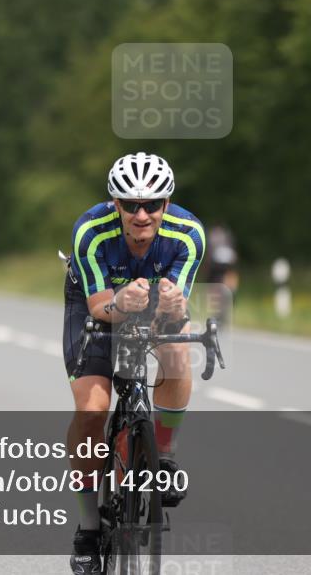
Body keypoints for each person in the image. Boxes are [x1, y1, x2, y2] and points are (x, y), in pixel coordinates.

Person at [64, 152, 204, 574]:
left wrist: (173, 308)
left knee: (178, 349)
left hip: (153, 306)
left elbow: (173, 311)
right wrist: (120, 303)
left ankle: (162, 452)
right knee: (91, 410)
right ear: (115, 204)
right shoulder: (90, 231)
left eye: (153, 204)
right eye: (130, 205)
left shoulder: (187, 234)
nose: (142, 215)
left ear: (167, 204)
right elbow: (98, 305)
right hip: (94, 306)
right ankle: (88, 527)